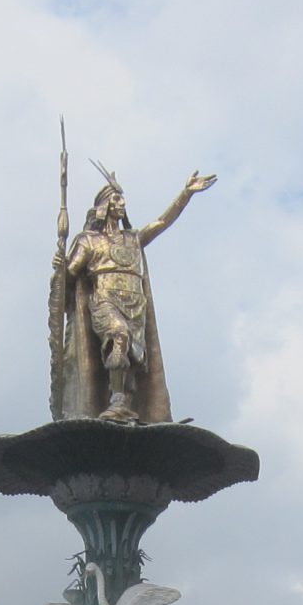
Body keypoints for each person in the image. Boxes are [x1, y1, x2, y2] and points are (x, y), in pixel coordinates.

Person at [52, 166, 215, 423]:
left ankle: (124, 404)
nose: (122, 203)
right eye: (117, 199)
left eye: (122, 199)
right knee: (119, 334)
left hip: (135, 303)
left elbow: (161, 223)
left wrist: (186, 193)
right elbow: (70, 275)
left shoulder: (133, 239)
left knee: (131, 355)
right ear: (104, 205)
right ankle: (116, 400)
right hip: (105, 300)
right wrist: (60, 268)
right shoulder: (88, 240)